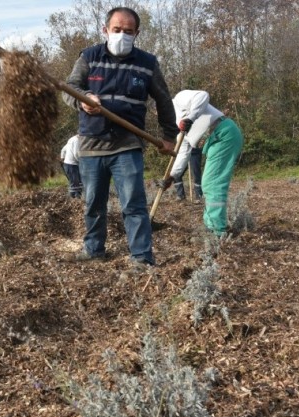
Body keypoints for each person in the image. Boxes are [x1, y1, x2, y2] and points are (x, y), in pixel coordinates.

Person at [62, 6, 179, 266]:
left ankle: (141, 257)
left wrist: (169, 135)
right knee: (93, 203)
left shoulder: (147, 63)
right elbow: (69, 88)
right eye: (117, 30)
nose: (122, 35)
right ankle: (94, 250)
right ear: (106, 30)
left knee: (133, 204)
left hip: (127, 144)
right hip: (92, 144)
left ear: (137, 33)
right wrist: (83, 101)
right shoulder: (89, 56)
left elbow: (163, 100)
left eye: (128, 31)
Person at [158, 89, 244, 236]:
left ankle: (217, 230)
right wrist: (172, 177)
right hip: (215, 139)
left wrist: (190, 118)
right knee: (209, 183)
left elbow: (203, 96)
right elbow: (183, 152)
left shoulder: (179, 100)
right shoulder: (175, 126)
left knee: (212, 182)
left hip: (223, 133)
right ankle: (211, 225)